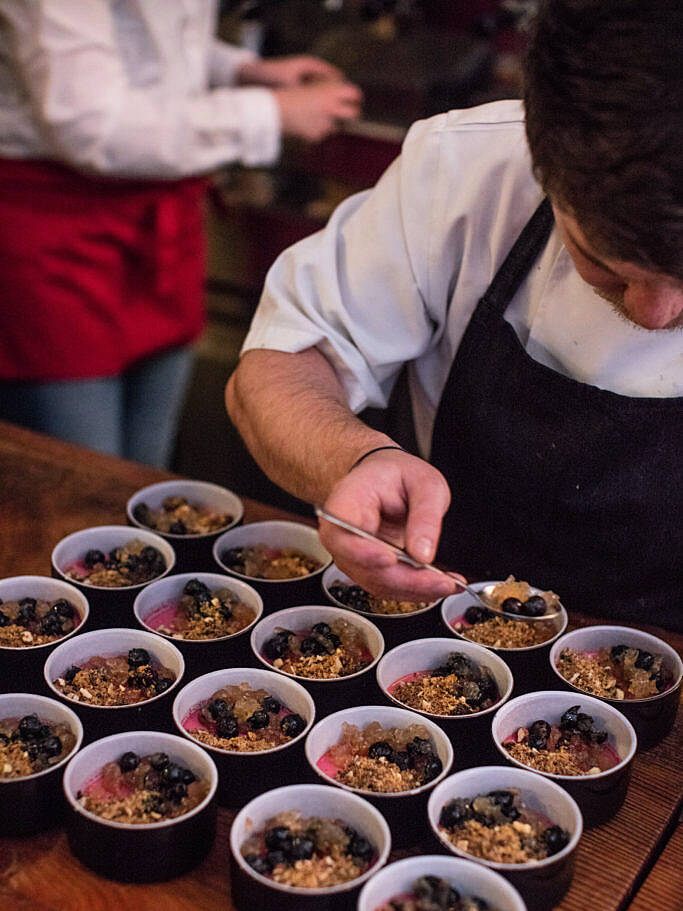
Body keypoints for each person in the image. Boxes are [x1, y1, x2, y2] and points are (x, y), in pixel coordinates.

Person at [226, 0, 682, 631]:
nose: (655, 316)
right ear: (540, 159)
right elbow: (279, 362)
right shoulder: (469, 169)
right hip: (436, 624)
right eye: (604, 264)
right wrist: (350, 458)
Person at [0, 0, 361, 466]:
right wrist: (267, 112)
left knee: (145, 472)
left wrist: (237, 69)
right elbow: (91, 125)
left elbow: (149, 32)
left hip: (161, 224)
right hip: (60, 234)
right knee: (81, 474)